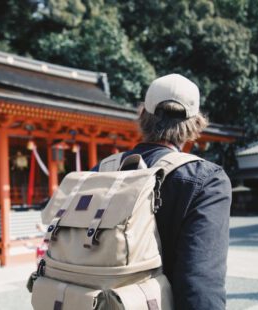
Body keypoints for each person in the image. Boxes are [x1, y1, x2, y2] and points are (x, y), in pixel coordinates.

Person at [97, 74, 232, 309]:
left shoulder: (102, 169)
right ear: (196, 122)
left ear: (143, 116)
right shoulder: (207, 179)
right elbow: (200, 284)